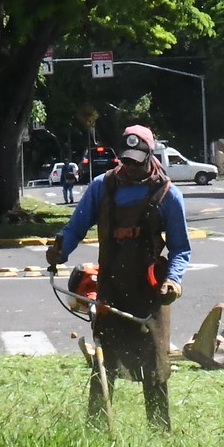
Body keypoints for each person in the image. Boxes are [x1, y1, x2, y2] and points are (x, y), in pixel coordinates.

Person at [46, 125, 189, 429]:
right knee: (103, 365)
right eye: (127, 160)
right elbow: (75, 228)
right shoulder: (102, 187)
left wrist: (173, 280)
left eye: (139, 160)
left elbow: (180, 248)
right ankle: (96, 429)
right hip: (110, 290)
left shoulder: (168, 195)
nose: (132, 166)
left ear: (151, 155)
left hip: (151, 294)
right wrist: (60, 249)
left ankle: (160, 432)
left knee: (155, 369)